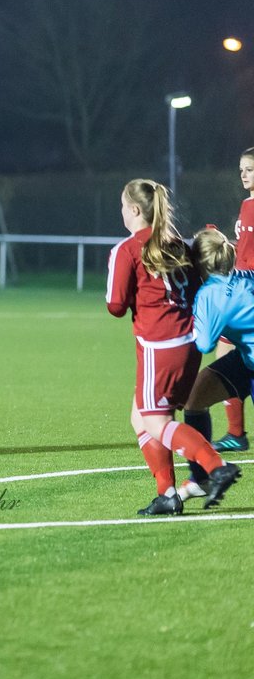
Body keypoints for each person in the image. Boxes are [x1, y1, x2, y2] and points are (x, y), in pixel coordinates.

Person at [105, 180, 241, 515]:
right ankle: (167, 493)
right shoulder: (178, 245)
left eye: (123, 206)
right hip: (188, 344)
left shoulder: (127, 250)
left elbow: (116, 305)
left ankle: (216, 467)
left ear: (135, 210)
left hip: (159, 346)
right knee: (140, 416)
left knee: (155, 423)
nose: (122, 211)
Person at [177, 227, 249, 502]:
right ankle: (202, 480)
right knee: (195, 398)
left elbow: (204, 344)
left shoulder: (209, 292)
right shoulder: (243, 276)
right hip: (246, 359)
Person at [206, 147, 254, 453]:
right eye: (241, 170)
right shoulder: (247, 204)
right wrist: (226, 241)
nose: (244, 175)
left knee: (227, 359)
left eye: (249, 169)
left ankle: (236, 433)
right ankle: (235, 432)